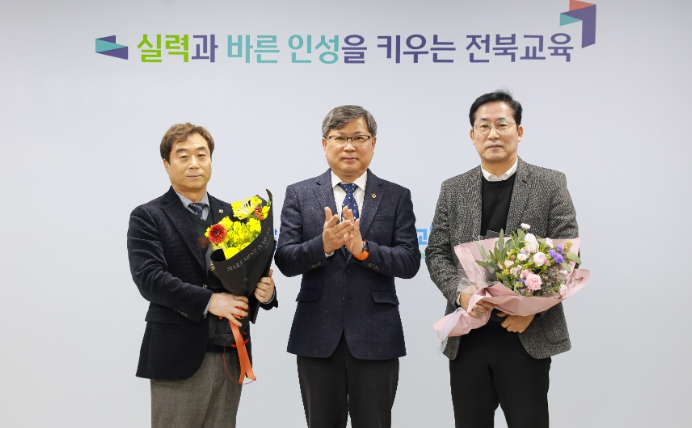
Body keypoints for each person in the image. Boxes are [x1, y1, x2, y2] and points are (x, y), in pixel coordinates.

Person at [425, 90, 579, 428]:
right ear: (472, 135)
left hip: (525, 335)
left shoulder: (550, 184)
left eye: (502, 124)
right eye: (484, 126)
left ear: (518, 131)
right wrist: (461, 294)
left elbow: (567, 255)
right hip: (469, 334)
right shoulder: (453, 189)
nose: (492, 133)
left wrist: (532, 309)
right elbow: (436, 252)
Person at [274, 106, 420, 428]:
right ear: (325, 144)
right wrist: (323, 246)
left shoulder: (396, 196)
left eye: (359, 138)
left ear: (373, 143)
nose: (349, 146)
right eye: (340, 138)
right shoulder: (299, 194)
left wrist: (364, 250)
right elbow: (284, 258)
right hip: (316, 335)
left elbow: (410, 261)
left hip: (376, 335)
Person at [127, 123, 277, 428]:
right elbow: (150, 278)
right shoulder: (149, 215)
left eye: (201, 154)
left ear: (210, 160)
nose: (194, 163)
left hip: (230, 351)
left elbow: (242, 277)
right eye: (183, 156)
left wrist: (265, 292)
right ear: (167, 164)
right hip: (178, 354)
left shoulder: (234, 214)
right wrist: (210, 301)